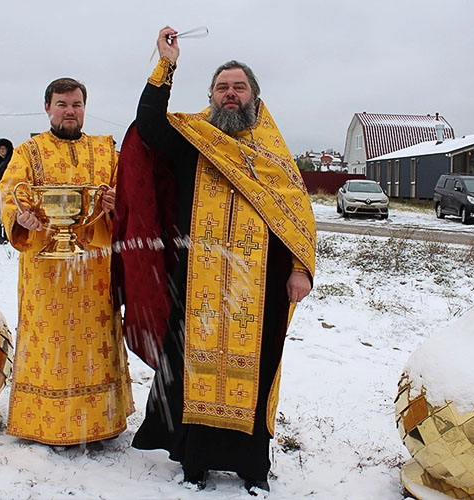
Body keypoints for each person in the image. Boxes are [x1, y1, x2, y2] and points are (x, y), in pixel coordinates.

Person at [113, 27, 316, 493]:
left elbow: (295, 216)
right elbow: (148, 127)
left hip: (260, 285)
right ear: (211, 96)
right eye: (222, 87)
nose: (230, 94)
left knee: (257, 371)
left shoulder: (273, 155)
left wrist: (302, 268)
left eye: (238, 87)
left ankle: (253, 468)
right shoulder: (195, 140)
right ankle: (196, 463)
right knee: (193, 371)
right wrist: (166, 64)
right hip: (199, 281)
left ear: (254, 97)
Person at [0, 77, 133, 446]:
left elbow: (130, 191)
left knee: (97, 341)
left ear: (84, 108)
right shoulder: (28, 151)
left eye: (76, 104)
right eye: (62, 104)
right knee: (49, 342)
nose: (69, 111)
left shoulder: (107, 152)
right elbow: (11, 192)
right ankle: (45, 420)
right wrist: (20, 217)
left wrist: (117, 202)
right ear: (47, 108)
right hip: (46, 270)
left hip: (94, 270)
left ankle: (99, 422)